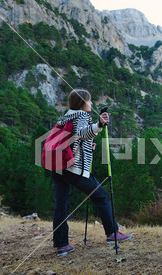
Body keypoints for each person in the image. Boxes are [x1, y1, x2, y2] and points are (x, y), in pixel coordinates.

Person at [51, 88, 132, 256]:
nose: (91, 103)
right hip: (73, 168)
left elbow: (74, 139)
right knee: (101, 195)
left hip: (58, 167)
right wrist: (100, 124)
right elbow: (81, 133)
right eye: (89, 101)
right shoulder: (81, 115)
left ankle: (61, 245)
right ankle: (112, 233)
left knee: (61, 205)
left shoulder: (65, 116)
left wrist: (88, 146)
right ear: (82, 103)